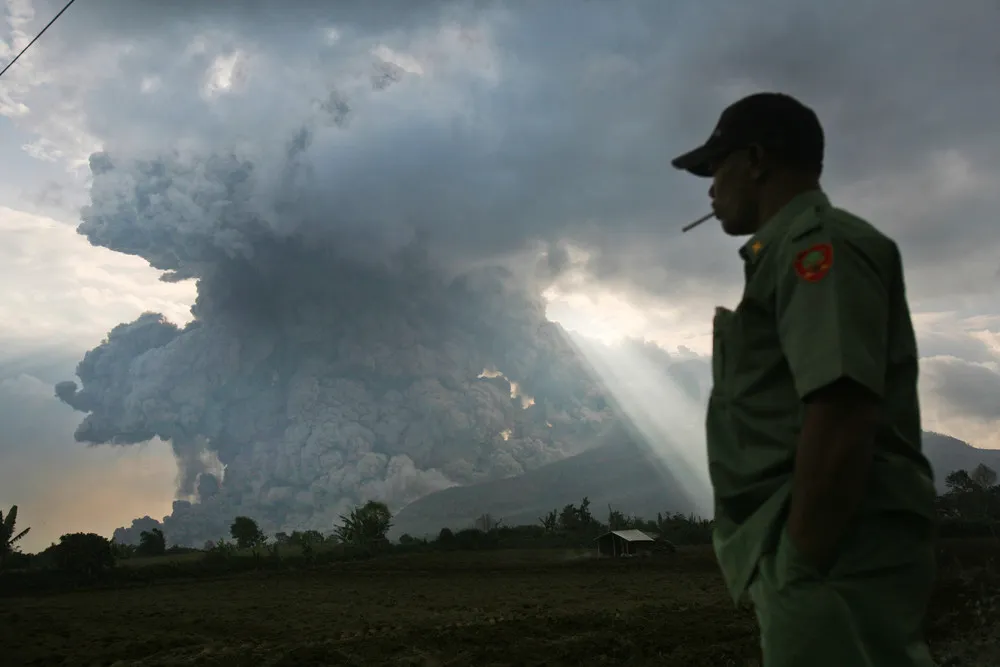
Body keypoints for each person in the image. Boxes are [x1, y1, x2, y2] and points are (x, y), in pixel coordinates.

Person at [671, 92, 938, 666]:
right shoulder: (783, 254)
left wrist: (801, 558)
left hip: (832, 559)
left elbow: (841, 410)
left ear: (756, 160)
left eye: (716, 168)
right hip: (821, 557)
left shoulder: (820, 248)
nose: (710, 190)